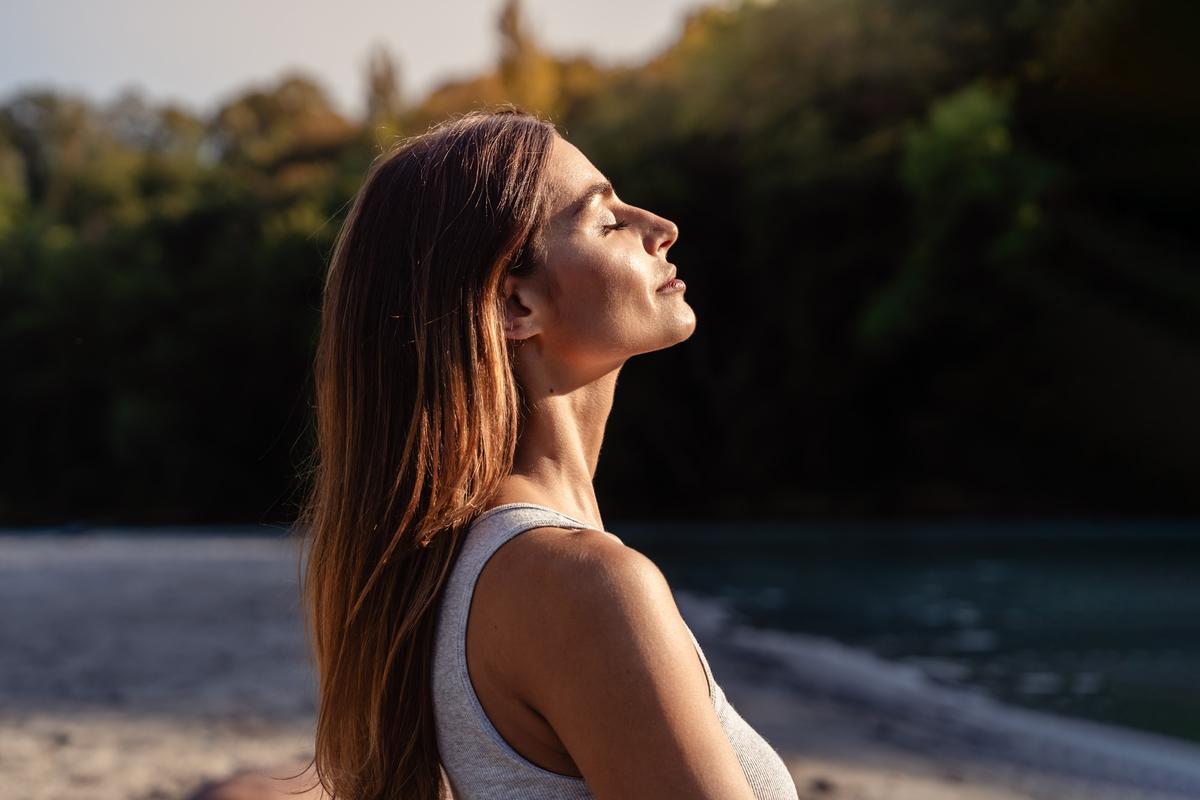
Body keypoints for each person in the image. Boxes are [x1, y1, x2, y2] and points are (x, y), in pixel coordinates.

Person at [293, 106, 799, 800]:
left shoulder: (452, 574)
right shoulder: (585, 587)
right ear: (513, 306)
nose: (661, 228)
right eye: (607, 220)